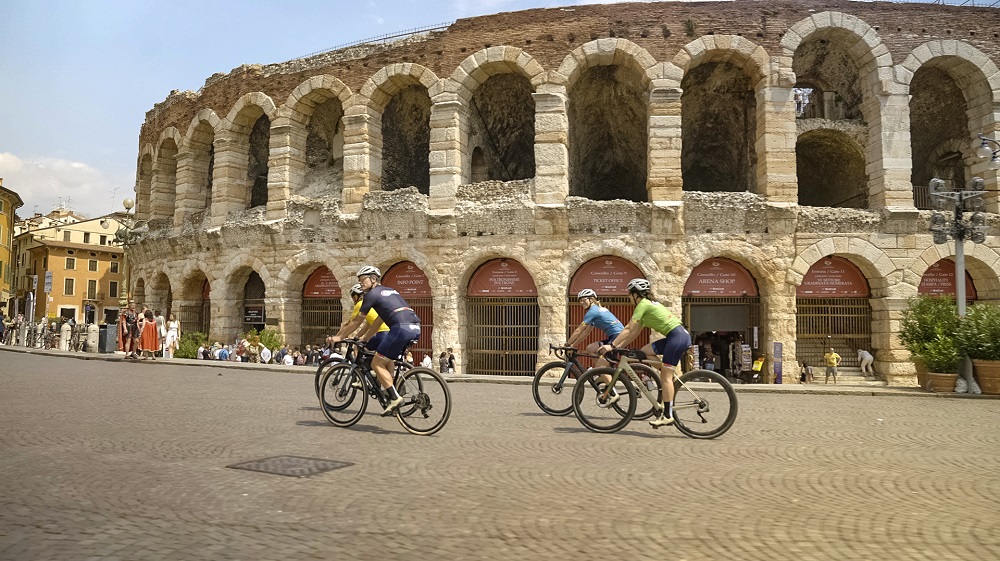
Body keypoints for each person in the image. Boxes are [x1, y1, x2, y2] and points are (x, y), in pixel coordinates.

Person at [598, 278, 691, 428]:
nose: (629, 297)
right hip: (677, 336)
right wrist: (618, 347)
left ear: (636, 294)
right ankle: (667, 372)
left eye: (630, 294)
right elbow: (633, 333)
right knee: (645, 351)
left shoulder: (643, 305)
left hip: (677, 338)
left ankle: (667, 415)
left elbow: (628, 328)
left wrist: (611, 345)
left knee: (665, 377)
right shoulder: (648, 305)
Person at [331, 266, 421, 415]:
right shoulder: (391, 291)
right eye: (359, 281)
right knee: (386, 358)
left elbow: (356, 321)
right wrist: (365, 338)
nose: (361, 284)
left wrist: (339, 337)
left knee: (376, 362)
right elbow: (378, 320)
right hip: (416, 327)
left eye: (363, 280)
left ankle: (394, 397)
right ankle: (387, 382)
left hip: (400, 329)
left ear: (373, 279)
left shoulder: (371, 295)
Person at [564, 288, 624, 370]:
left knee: (600, 366)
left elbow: (578, 331)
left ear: (591, 299)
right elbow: (585, 333)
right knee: (590, 348)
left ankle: (603, 373)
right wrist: (573, 345)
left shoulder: (593, 311)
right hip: (614, 336)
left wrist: (567, 344)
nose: (581, 303)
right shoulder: (596, 311)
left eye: (584, 300)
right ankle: (602, 372)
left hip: (617, 336)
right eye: (580, 301)